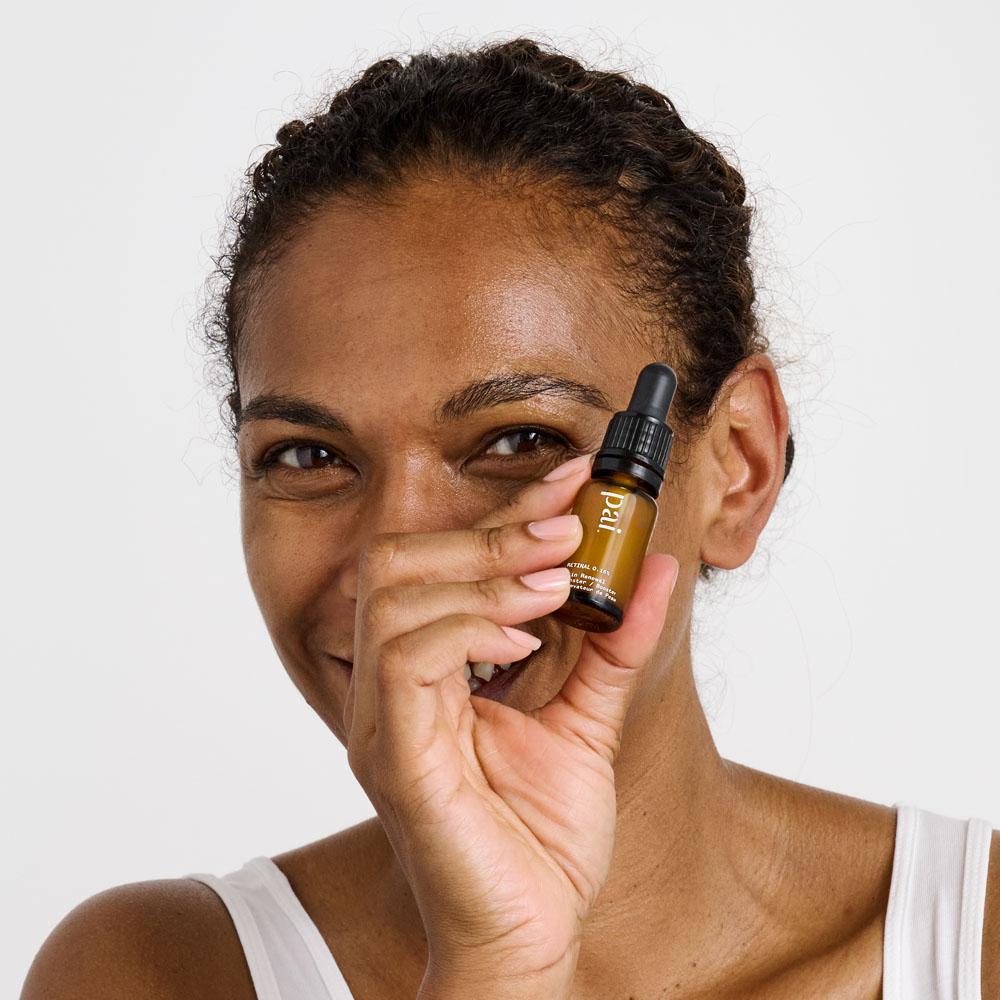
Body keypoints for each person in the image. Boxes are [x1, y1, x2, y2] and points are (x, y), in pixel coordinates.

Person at [21, 35, 999, 1000]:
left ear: (738, 468)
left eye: (520, 440)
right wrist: (495, 965)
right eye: (309, 457)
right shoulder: (152, 974)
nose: (396, 559)